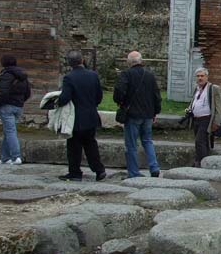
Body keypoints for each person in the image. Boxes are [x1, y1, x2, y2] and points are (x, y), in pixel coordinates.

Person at [56, 50, 106, 181]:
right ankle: (99, 170)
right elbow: (99, 97)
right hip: (91, 115)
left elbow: (65, 98)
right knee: (91, 144)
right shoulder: (93, 75)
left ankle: (75, 172)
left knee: (74, 146)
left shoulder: (69, 77)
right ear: (82, 60)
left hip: (76, 117)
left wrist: (57, 101)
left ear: (69, 64)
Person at [113, 50, 162, 178]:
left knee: (131, 145)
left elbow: (119, 91)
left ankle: (134, 172)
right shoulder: (150, 76)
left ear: (129, 62)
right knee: (147, 141)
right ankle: (154, 167)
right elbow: (157, 95)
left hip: (132, 114)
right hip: (148, 114)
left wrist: (119, 102)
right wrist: (156, 112)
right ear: (141, 61)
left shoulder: (126, 74)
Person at [0, 54, 31, 165]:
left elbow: (3, 92)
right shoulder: (23, 76)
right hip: (18, 106)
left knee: (10, 131)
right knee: (8, 131)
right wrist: (20, 101)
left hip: (7, 106)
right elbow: (28, 92)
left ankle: (16, 157)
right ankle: (5, 157)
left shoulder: (6, 75)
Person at [187, 67, 221, 167]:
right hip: (196, 119)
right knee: (202, 141)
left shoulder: (213, 88)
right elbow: (194, 101)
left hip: (206, 119)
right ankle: (203, 160)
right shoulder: (197, 88)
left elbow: (219, 106)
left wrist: (217, 122)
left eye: (202, 76)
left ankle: (201, 162)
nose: (200, 78)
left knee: (200, 140)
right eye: (198, 76)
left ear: (207, 77)